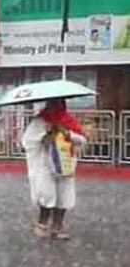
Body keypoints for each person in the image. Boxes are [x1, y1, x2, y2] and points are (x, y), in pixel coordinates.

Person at [21, 99, 87, 240]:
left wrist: (68, 134)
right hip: (45, 165)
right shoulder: (39, 122)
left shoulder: (68, 121)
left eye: (60, 104)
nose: (58, 108)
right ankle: (42, 224)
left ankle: (58, 226)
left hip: (66, 164)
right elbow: (28, 141)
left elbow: (82, 139)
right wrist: (47, 135)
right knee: (46, 194)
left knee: (64, 196)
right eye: (55, 104)